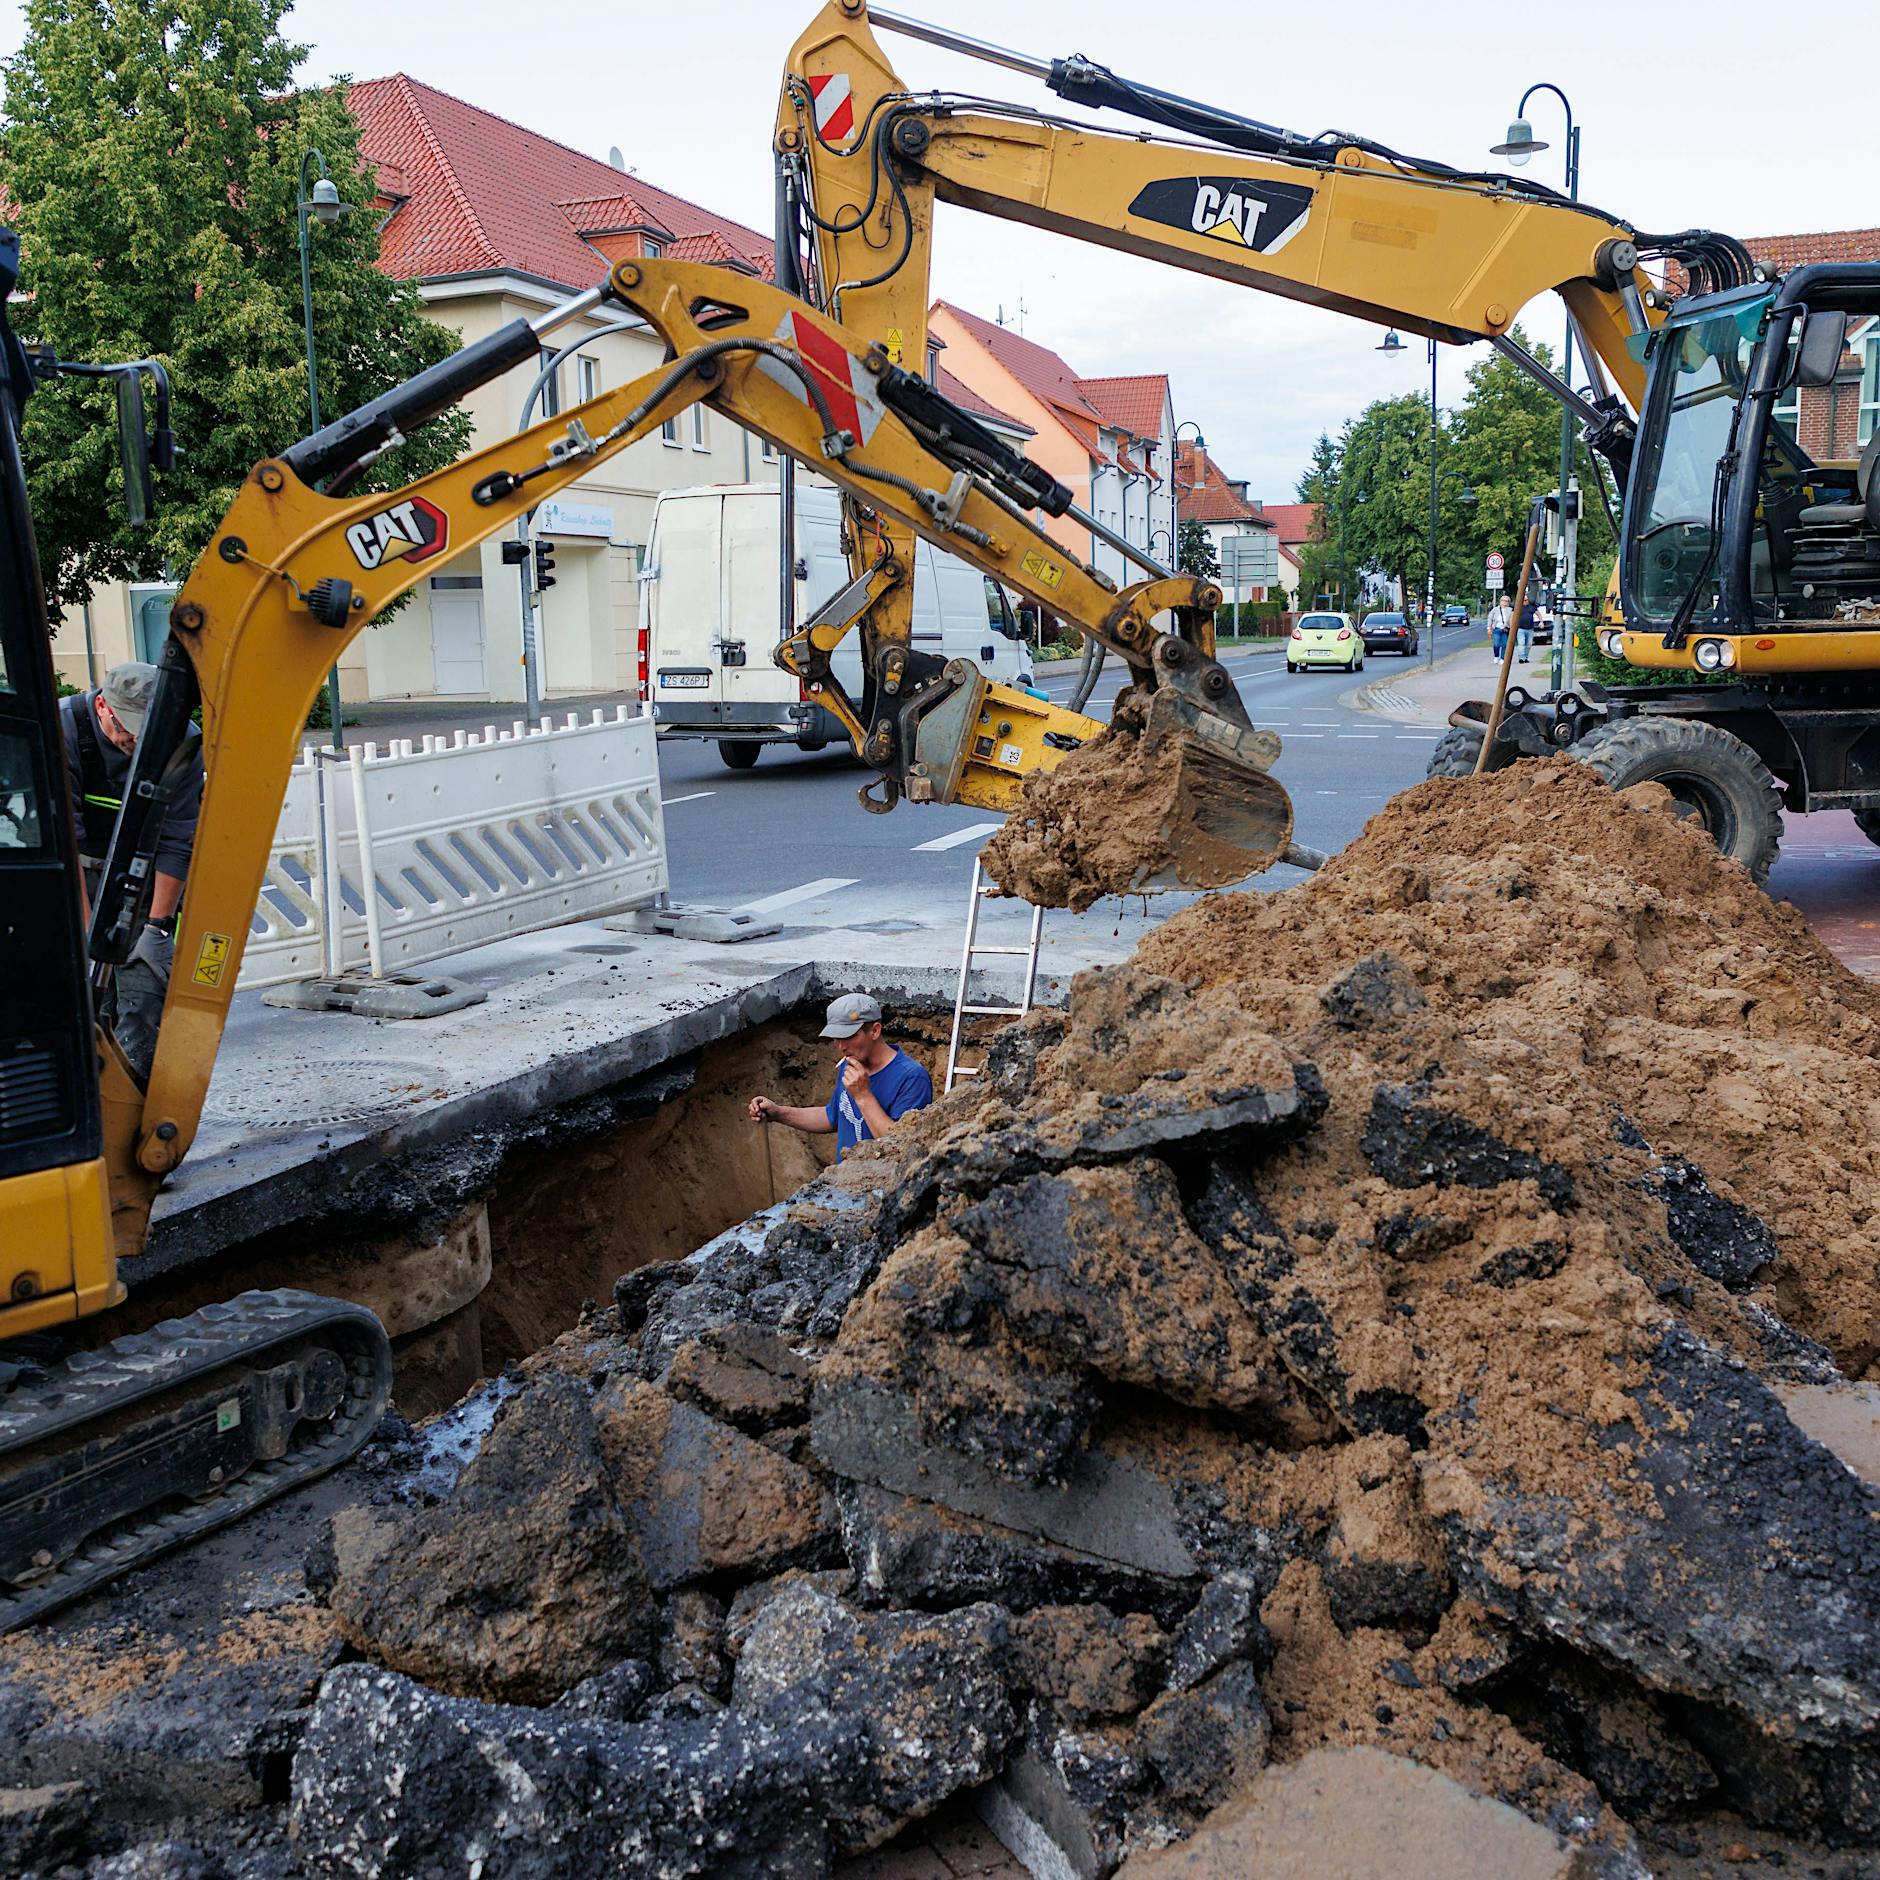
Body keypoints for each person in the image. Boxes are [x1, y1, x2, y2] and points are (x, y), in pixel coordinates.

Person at [59, 661, 204, 1080]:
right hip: (80, 872)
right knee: (86, 1000)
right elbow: (64, 843)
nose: (138, 741)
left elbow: (178, 839)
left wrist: (157, 927)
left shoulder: (181, 742)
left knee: (144, 995)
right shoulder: (63, 730)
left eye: (148, 730)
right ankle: (91, 1101)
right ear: (103, 707)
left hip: (143, 876)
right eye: (129, 728)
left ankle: (136, 1102)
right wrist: (90, 934)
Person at [748, 992, 934, 1161]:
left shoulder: (912, 1078)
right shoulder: (851, 1065)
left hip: (883, 1191)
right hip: (845, 1187)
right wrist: (779, 1113)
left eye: (848, 1036)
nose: (840, 1046)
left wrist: (863, 1095)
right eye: (835, 1037)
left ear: (875, 1030)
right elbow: (833, 1117)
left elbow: (900, 1146)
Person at [1515, 592, 1538, 665]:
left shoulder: (1531, 607)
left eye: (1526, 600)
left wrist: (1541, 622)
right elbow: (1513, 615)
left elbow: (1538, 613)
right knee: (1521, 643)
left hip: (1530, 628)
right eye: (1524, 600)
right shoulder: (1518, 607)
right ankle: (1521, 658)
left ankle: (1526, 657)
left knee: (1529, 644)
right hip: (1520, 628)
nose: (1525, 602)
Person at [1488, 595, 1512, 660]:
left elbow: (1511, 620)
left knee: (1505, 644)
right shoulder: (1495, 609)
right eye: (1503, 601)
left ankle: (1502, 658)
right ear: (1500, 601)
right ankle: (1496, 656)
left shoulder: (1510, 610)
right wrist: (1489, 628)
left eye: (1506, 601)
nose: (1504, 602)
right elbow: (1490, 618)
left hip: (1505, 629)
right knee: (1496, 644)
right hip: (1497, 629)